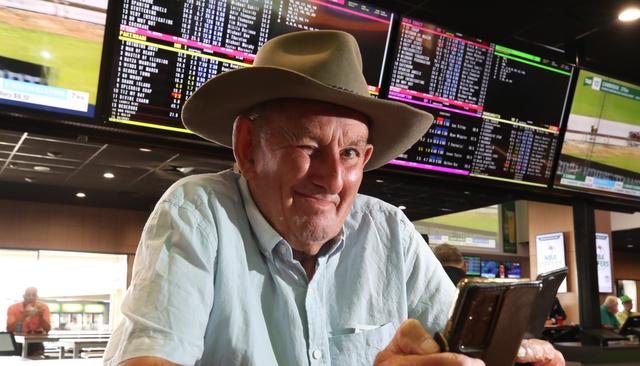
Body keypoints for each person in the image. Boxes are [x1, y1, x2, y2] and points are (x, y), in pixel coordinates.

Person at [103, 30, 563, 366]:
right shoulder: (198, 211)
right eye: (307, 146)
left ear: (365, 157)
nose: (333, 178)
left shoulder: (387, 228)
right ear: (247, 148)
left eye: (348, 154)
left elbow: (458, 345)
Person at [6, 287, 51, 356]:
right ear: (23, 296)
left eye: (34, 295)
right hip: (17, 342)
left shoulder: (43, 307)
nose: (31, 297)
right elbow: (9, 329)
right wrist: (23, 316)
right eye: (28, 295)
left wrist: (41, 318)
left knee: (37, 358)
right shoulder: (13, 308)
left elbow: (47, 329)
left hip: (36, 342)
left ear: (37, 297)